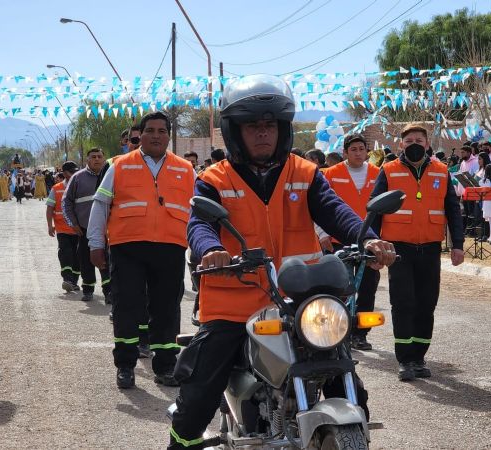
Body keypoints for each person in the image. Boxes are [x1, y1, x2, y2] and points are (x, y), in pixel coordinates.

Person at [169, 74, 397, 449]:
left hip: (298, 297)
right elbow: (199, 223)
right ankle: (179, 443)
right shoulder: (214, 178)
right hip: (235, 302)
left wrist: (369, 239)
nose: (263, 133)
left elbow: (336, 212)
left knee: (344, 373)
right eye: (252, 126)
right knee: (199, 392)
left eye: (270, 125)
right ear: (234, 131)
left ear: (282, 129)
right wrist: (209, 250)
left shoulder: (305, 173)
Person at [88, 111, 194, 390]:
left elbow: (197, 211)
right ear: (140, 135)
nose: (156, 135)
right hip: (128, 248)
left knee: (167, 309)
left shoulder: (185, 169)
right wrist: (96, 244)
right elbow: (100, 206)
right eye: (150, 131)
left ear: (169, 136)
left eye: (162, 131)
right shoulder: (119, 166)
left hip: (170, 248)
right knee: (127, 307)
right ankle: (125, 365)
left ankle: (166, 365)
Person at [370, 123, 465, 382]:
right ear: (401, 144)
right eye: (409, 140)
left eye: (419, 140)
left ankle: (419, 356)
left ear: (427, 143)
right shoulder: (388, 171)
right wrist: (373, 248)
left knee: (427, 303)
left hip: (430, 248)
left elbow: (453, 210)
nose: (414, 144)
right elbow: (375, 211)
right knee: (403, 303)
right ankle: (404, 359)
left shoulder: (442, 171)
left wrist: (458, 244)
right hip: (398, 248)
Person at [322, 133, 381, 350]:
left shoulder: (378, 174)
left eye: (362, 149)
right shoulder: (330, 174)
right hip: (337, 240)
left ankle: (360, 333)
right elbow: (319, 205)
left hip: (370, 241)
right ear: (345, 152)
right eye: (353, 149)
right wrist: (322, 234)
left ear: (367, 152)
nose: (358, 153)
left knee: (367, 287)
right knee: (338, 287)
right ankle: (336, 331)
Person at [61, 148, 110, 302]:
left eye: (100, 157)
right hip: (84, 229)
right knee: (86, 260)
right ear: (87, 160)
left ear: (104, 159)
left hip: (109, 230)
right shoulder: (78, 178)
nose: (97, 159)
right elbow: (65, 202)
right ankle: (88, 290)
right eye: (93, 157)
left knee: (108, 261)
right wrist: (73, 223)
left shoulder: (110, 176)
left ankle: (109, 292)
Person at [47, 161, 81, 293]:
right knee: (65, 253)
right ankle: (67, 279)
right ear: (65, 173)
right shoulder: (56, 188)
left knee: (78, 256)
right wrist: (50, 225)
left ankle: (74, 281)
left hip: (79, 229)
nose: (75, 174)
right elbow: (50, 208)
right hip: (62, 229)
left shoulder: (81, 186)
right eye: (72, 172)